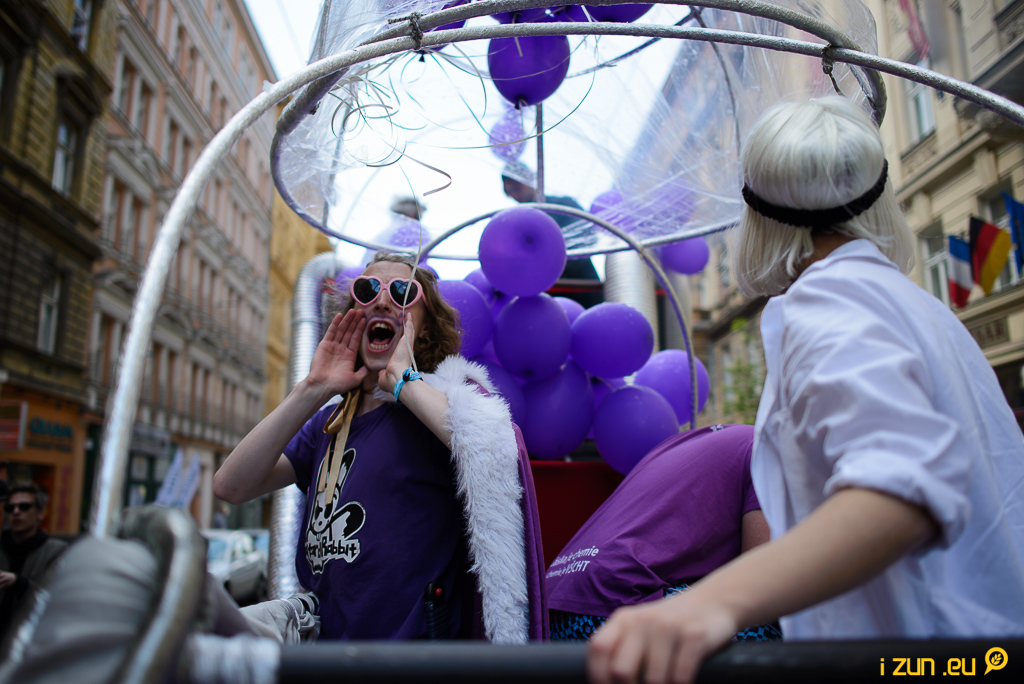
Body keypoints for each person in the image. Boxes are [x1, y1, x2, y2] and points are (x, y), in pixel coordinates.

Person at [588, 96, 1024, 684]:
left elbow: (904, 483)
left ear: (758, 214)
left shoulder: (831, 297)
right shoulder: (916, 305)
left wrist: (706, 606)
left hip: (925, 663)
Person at [214, 251, 546, 643]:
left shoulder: (441, 404)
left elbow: (493, 449)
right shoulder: (328, 423)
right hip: (330, 657)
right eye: (368, 289)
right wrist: (314, 388)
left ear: (425, 328)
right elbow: (230, 486)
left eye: (403, 292)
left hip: (408, 660)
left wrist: (402, 379)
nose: (383, 301)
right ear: (353, 316)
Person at [547, 425, 779, 643]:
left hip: (552, 610)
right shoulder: (771, 450)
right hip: (616, 610)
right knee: (769, 630)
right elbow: (761, 586)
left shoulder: (696, 440)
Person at [501, 161, 602, 308]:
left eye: (517, 188)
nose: (515, 196)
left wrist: (549, 261)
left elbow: (586, 238)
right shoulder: (515, 224)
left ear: (528, 179)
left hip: (582, 287)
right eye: (510, 193)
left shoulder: (562, 205)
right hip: (546, 299)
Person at [0, 482, 68, 633]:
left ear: (40, 513)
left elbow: (57, 599)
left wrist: (18, 583)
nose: (16, 512)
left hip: (31, 636)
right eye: (10, 508)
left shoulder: (56, 551)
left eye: (24, 507)